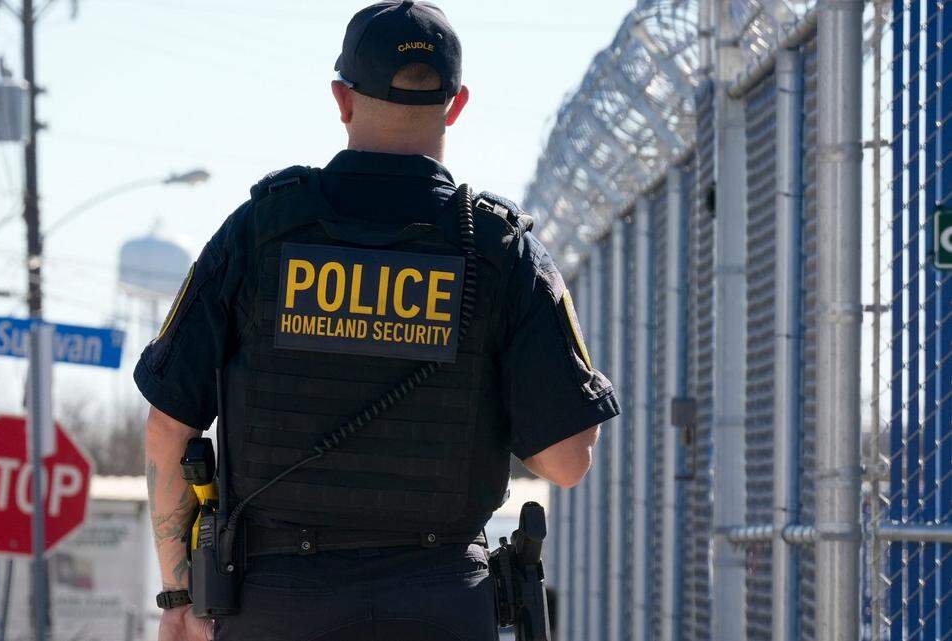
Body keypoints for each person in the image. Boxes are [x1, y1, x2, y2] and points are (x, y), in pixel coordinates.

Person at [136, 2, 620, 640]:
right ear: (457, 103)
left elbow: (170, 427)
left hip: (274, 605)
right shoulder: (501, 251)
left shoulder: (259, 232)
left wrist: (178, 596)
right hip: (439, 603)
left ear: (342, 98)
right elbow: (565, 461)